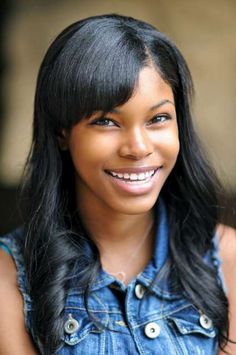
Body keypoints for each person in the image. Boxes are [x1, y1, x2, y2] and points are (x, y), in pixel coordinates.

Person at [0, 13, 235, 355]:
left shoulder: (227, 258)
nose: (138, 147)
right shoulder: (9, 278)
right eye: (107, 121)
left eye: (158, 119)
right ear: (62, 132)